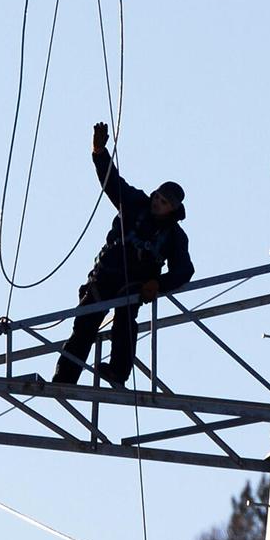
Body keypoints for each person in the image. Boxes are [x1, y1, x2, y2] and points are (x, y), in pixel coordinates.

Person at [51, 121, 194, 387]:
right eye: (158, 197)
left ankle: (118, 373)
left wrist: (158, 285)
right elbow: (112, 183)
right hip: (104, 278)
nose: (157, 203)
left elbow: (184, 270)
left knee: (125, 325)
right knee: (84, 326)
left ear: (172, 209)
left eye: (164, 203)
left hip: (132, 287)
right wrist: (99, 151)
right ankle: (64, 378)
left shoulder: (174, 236)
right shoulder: (135, 203)